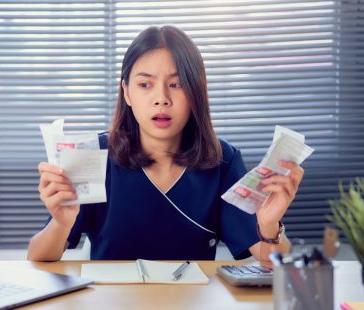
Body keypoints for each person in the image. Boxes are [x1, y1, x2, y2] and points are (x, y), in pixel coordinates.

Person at [28, 25, 303, 262]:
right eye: (145, 85)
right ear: (126, 92)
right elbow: (38, 257)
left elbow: (273, 263)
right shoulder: (94, 155)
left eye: (177, 84)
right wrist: (61, 224)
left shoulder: (223, 160)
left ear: (196, 92)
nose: (161, 99)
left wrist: (269, 226)